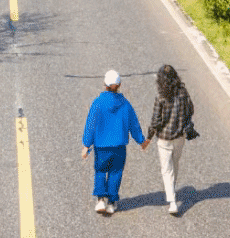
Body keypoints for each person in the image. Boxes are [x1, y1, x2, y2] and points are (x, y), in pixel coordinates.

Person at [81, 69, 144, 215]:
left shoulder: (97, 103)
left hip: (102, 146)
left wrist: (86, 144)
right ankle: (112, 202)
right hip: (119, 146)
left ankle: (100, 199)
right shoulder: (125, 104)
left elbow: (91, 124)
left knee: (101, 170)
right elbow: (133, 123)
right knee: (116, 172)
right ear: (120, 84)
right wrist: (141, 140)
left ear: (105, 84)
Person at [140, 63, 194, 215]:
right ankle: (172, 190)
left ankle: (172, 201)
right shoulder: (184, 92)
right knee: (174, 164)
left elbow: (156, 121)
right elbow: (191, 110)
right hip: (180, 137)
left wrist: (148, 138)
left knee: (166, 169)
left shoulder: (161, 96)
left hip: (164, 138)